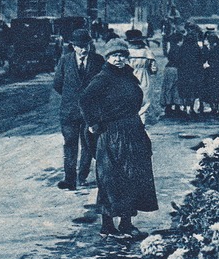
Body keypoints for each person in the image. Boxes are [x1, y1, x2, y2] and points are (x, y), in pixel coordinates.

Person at [80, 38, 159, 239]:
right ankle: (107, 225)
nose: (119, 59)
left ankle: (126, 223)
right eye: (114, 55)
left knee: (132, 177)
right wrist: (93, 123)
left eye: (122, 55)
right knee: (111, 179)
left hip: (132, 130)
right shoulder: (103, 78)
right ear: (107, 57)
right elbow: (85, 100)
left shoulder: (128, 75)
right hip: (112, 134)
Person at [52, 28, 105, 190]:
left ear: (90, 45)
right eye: (79, 46)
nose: (83, 50)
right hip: (69, 112)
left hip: (90, 113)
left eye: (86, 46)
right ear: (73, 46)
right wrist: (72, 98)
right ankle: (69, 179)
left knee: (88, 145)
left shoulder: (98, 61)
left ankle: (82, 176)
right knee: (69, 144)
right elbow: (57, 84)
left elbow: (103, 85)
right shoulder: (65, 61)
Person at [125, 29, 158, 123]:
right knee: (144, 103)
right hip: (144, 78)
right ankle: (142, 124)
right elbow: (154, 69)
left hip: (130, 78)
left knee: (130, 102)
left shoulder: (126, 52)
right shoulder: (147, 52)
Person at [176, 22, 207, 117]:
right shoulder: (196, 47)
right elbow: (202, 58)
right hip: (195, 71)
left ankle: (186, 108)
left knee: (185, 89)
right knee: (193, 89)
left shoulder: (182, 48)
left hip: (184, 71)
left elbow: (178, 59)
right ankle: (192, 108)